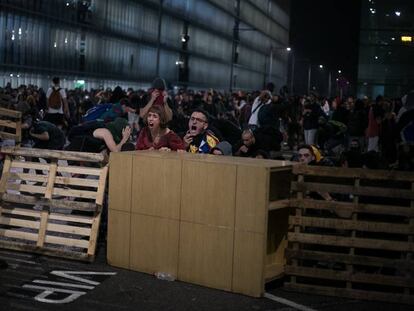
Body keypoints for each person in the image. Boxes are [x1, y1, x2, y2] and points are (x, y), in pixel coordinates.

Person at [66, 117, 131, 153]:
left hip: (82, 148)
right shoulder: (105, 132)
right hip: (76, 147)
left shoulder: (107, 128)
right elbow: (115, 151)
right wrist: (124, 138)